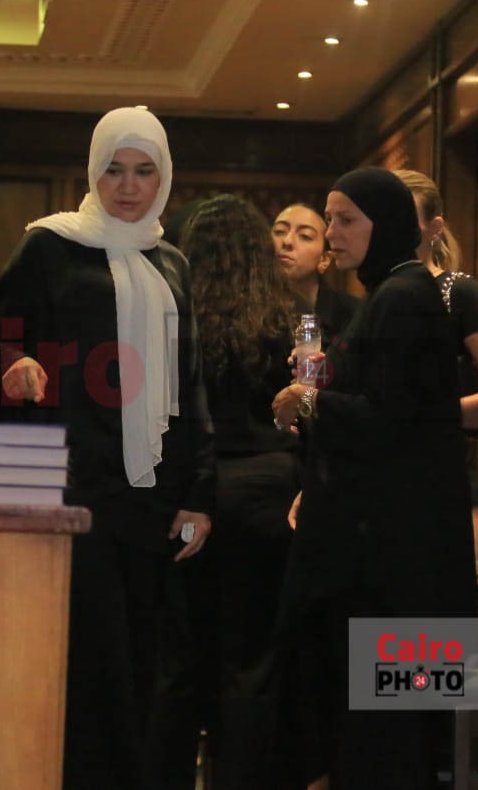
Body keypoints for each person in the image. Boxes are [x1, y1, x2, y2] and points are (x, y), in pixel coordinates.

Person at [0, 106, 215, 790]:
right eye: (114, 169)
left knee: (145, 667)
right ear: (92, 172)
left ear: (164, 178)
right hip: (73, 486)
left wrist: (200, 493)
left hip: (153, 498)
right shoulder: (50, 247)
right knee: (85, 662)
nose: (128, 186)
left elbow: (190, 382)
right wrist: (14, 364)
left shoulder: (171, 262)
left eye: (144, 171)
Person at [272, 167, 477, 789]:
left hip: (396, 561)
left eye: (345, 220)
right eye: (330, 218)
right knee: (383, 728)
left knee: (388, 735)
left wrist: (306, 401)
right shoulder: (394, 292)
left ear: (384, 224)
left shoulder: (401, 297)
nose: (332, 232)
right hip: (397, 554)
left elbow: (389, 418)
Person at [163, 194, 301, 789]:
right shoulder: (287, 319)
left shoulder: (173, 319)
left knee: (178, 660)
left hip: (191, 492)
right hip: (269, 491)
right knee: (252, 664)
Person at [394, 169, 478, 558]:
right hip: (382, 478)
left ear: (434, 228)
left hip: (441, 476)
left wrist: (430, 416)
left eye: (404, 218)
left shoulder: (458, 293)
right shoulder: (375, 298)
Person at [271, 203, 360, 347]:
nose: (287, 241)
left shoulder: (352, 316)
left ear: (324, 260)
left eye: (305, 236)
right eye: (279, 231)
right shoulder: (247, 309)